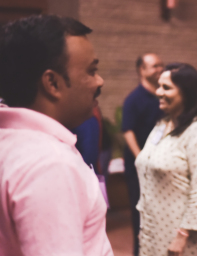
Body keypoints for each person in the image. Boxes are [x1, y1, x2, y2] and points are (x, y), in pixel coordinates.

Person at [0, 15, 113, 255]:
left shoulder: (9, 140)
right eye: (91, 71)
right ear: (52, 83)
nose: (99, 81)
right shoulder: (50, 164)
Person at [135, 63, 197, 256]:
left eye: (166, 87)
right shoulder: (162, 125)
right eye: (159, 86)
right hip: (154, 229)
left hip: (182, 236)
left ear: (187, 93)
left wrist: (182, 235)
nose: (158, 92)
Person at [122, 52, 164, 255]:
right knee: (140, 214)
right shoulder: (134, 99)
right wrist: (141, 159)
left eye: (160, 65)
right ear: (142, 70)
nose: (159, 69)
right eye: (154, 66)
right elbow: (127, 130)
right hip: (138, 168)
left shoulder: (162, 96)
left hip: (158, 165)